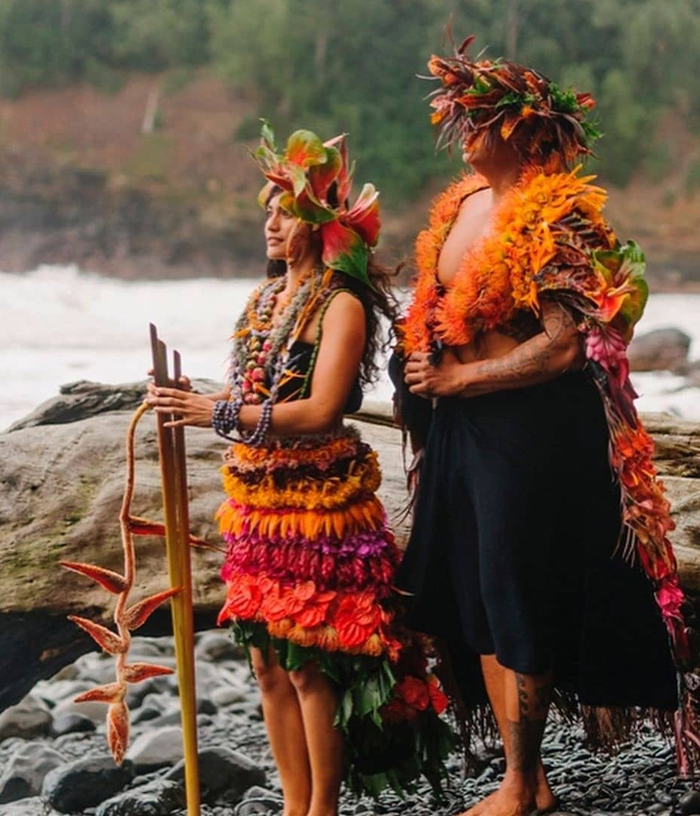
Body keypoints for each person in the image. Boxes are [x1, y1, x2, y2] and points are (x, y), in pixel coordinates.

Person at [390, 34, 700, 816]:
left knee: (517, 591)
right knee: (475, 597)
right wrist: (427, 371)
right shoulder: (460, 205)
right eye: (458, 114)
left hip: (531, 435)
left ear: (526, 134)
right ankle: (520, 778)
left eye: (479, 117)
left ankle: (525, 783)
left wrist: (462, 375)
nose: (462, 126)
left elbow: (567, 344)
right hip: (460, 429)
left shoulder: (559, 217)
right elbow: (432, 307)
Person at [148, 124, 453, 816]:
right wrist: (183, 399)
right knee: (265, 659)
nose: (271, 223)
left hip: (320, 501)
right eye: (268, 211)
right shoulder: (261, 304)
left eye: (284, 212)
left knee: (310, 661)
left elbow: (319, 411)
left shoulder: (338, 305)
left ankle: (322, 810)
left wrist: (216, 412)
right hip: (257, 500)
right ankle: (292, 804)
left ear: (318, 225)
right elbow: (252, 392)